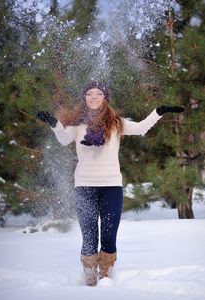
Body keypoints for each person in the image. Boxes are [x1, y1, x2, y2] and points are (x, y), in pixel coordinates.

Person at [37, 81, 184, 287]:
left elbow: (141, 128)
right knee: (89, 237)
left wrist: (158, 111)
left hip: (111, 187)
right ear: (84, 98)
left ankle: (105, 279)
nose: (94, 96)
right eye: (89, 93)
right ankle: (89, 280)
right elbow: (62, 139)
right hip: (84, 188)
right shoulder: (78, 125)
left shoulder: (117, 123)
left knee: (108, 236)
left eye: (99, 93)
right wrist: (54, 123)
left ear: (105, 98)